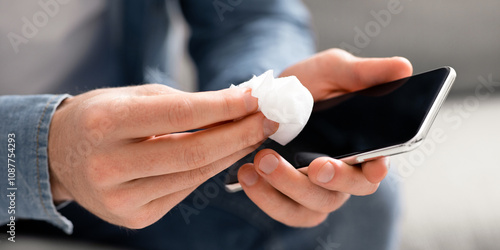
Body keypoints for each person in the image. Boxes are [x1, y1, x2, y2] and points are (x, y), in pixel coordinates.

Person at [0, 0, 412, 249]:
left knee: (353, 197)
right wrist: (44, 151)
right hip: (16, 152)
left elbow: (251, 15)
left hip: (127, 155)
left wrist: (262, 88)